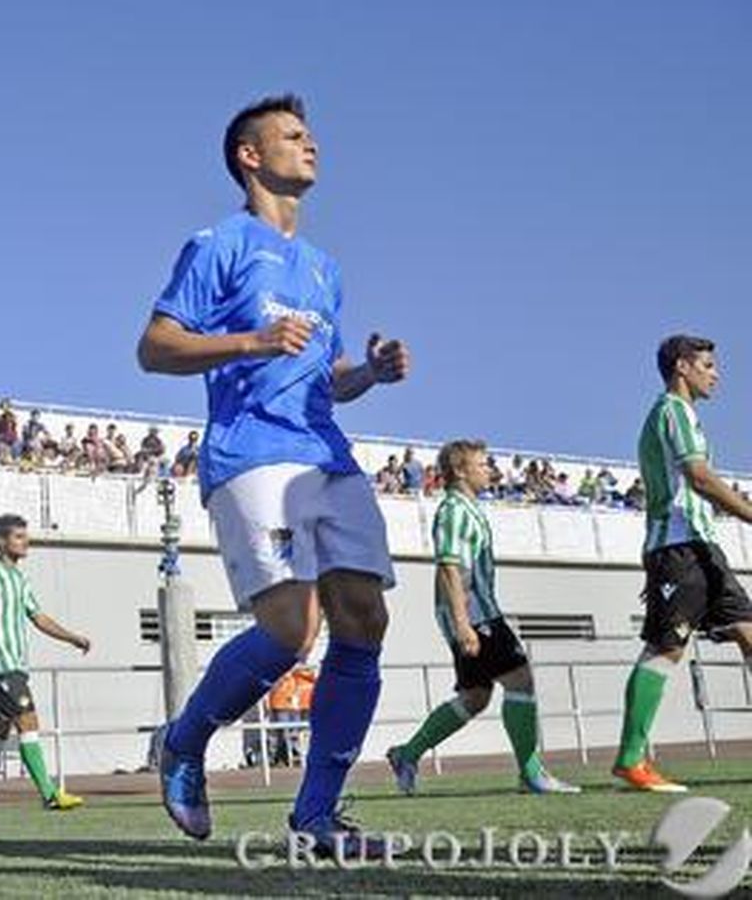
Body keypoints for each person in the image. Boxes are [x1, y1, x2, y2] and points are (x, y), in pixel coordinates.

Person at [137, 94, 411, 855]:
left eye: (311, 133)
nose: (311, 144)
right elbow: (155, 347)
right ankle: (185, 740)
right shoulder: (219, 243)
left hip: (326, 451)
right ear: (250, 156)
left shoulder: (324, 270)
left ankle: (317, 814)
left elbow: (327, 377)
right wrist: (251, 340)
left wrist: (372, 375)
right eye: (292, 136)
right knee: (292, 630)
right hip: (250, 450)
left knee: (365, 619)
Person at [385, 439, 579, 795]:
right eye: (483, 464)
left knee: (475, 696)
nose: (490, 470)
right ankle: (531, 773)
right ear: (460, 470)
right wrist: (462, 624)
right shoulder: (454, 511)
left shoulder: (468, 509)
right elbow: (449, 567)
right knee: (521, 681)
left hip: (475, 612)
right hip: (476, 614)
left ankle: (407, 754)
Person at [611, 335, 752, 792]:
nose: (716, 373)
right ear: (681, 367)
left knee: (751, 634)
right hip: (678, 549)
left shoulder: (686, 416)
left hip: (702, 547)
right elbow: (700, 478)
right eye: (707, 365)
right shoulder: (671, 411)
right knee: (666, 648)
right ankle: (631, 759)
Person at [0, 514, 90, 813]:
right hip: (2, 666)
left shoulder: (20, 579)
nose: (26, 542)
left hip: (17, 666)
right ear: (2, 541)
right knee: (29, 722)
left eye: (25, 536)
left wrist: (71, 637)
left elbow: (38, 617)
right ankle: (50, 794)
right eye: (19, 537)